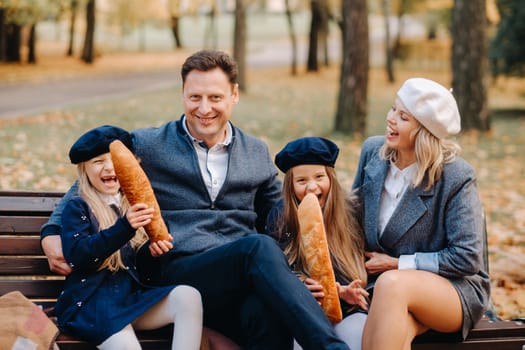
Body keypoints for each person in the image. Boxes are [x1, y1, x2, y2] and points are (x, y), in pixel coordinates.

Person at [40, 50, 350, 350]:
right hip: (176, 271)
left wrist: (297, 279)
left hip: (237, 280)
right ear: (183, 95)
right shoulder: (150, 145)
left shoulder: (255, 151)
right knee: (258, 247)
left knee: (266, 313)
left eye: (215, 97)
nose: (204, 108)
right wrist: (52, 230)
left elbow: (278, 211)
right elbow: (91, 181)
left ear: (234, 95)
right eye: (195, 97)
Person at [352, 77, 491, 350]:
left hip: (454, 288)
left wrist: (397, 264)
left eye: (403, 117)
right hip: (380, 289)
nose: (391, 119)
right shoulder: (373, 152)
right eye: (393, 109)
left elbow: (467, 257)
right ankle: (416, 320)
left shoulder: (455, 176)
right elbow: (352, 221)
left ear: (424, 132)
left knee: (392, 284)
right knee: (394, 330)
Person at [54, 125, 203, 349]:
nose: (108, 167)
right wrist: (124, 227)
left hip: (130, 301)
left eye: (114, 159)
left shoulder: (136, 204)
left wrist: (154, 254)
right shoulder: (79, 207)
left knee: (187, 297)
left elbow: (143, 272)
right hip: (91, 305)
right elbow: (78, 256)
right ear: (84, 170)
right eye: (97, 162)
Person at [265, 137, 370, 350]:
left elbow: (351, 269)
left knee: (356, 333)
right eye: (302, 181)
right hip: (304, 310)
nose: (312, 187)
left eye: (319, 177)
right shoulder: (281, 216)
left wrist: (344, 291)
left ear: (330, 178)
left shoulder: (351, 212)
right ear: (290, 186)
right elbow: (277, 270)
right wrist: (301, 283)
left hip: (349, 311)